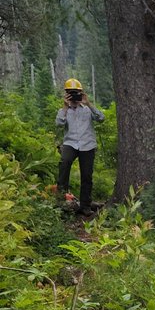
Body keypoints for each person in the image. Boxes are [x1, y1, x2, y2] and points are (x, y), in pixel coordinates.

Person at [56, 78, 105, 213]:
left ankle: (85, 205)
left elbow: (101, 118)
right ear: (66, 94)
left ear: (81, 92)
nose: (74, 96)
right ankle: (61, 200)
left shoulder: (87, 109)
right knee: (64, 164)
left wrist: (88, 103)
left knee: (87, 175)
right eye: (71, 93)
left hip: (87, 144)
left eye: (76, 92)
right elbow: (59, 124)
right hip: (70, 143)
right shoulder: (64, 110)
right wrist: (65, 107)